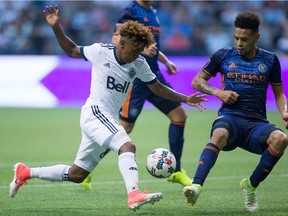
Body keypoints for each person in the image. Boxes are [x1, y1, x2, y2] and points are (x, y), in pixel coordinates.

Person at [9, 5, 207, 211]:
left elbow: (157, 88)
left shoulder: (139, 63)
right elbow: (71, 50)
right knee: (127, 146)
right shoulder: (101, 51)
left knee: (78, 174)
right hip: (94, 113)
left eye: (140, 50)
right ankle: (134, 194)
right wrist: (55, 26)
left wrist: (186, 99)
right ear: (122, 43)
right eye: (134, 49)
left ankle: (25, 172)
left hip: (106, 119)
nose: (137, 54)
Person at [183, 11, 288, 212]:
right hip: (229, 118)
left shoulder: (270, 60)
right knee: (220, 134)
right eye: (236, 38)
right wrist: (218, 93)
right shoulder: (223, 55)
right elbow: (197, 81)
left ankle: (250, 185)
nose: (239, 43)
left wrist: (284, 111)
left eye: (245, 39)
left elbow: (280, 93)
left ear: (257, 37)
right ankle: (196, 186)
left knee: (281, 139)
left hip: (256, 124)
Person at [115, 0, 192, 187]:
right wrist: (141, 49)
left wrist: (165, 61)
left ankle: (177, 171)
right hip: (135, 78)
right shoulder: (130, 10)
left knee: (179, 116)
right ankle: (86, 169)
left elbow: (152, 46)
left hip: (153, 76)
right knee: (123, 129)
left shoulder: (153, 12)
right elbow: (116, 39)